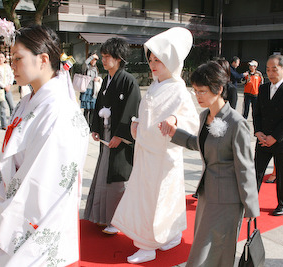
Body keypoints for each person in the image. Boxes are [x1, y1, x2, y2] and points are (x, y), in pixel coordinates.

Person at [0, 25, 89, 266]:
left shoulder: (59, 110)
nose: (12, 65)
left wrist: (9, 197)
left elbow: (47, 178)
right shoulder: (27, 101)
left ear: (43, 59)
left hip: (36, 209)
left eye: (18, 58)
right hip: (16, 197)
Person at [111, 27, 199, 264]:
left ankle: (148, 245)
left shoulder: (178, 88)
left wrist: (175, 120)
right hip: (146, 154)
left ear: (170, 61)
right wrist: (137, 124)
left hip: (163, 156)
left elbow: (192, 121)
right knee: (148, 198)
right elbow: (145, 113)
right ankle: (164, 237)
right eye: (151, 59)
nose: (152, 64)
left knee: (159, 199)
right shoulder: (155, 85)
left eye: (158, 60)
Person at [162, 61, 260, 266]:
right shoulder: (204, 115)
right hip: (207, 194)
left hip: (227, 199)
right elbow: (199, 144)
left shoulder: (236, 123)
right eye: (195, 91)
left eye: (202, 91)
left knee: (212, 249)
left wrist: (251, 207)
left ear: (219, 89)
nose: (198, 96)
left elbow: (245, 167)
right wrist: (174, 134)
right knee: (207, 246)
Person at [84, 38, 140, 235]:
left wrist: (120, 136)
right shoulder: (107, 80)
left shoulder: (128, 81)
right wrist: (96, 127)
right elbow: (98, 106)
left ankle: (117, 220)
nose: (104, 60)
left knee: (117, 179)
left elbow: (132, 112)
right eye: (104, 56)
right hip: (106, 137)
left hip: (119, 140)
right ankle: (101, 216)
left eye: (108, 57)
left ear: (118, 58)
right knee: (103, 175)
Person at [253, 54, 283, 216]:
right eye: (268, 70)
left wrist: (274, 138)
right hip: (262, 139)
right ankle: (250, 201)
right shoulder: (263, 88)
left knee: (282, 174)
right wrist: (258, 131)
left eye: (274, 69)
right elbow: (257, 112)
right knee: (256, 171)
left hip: (281, 141)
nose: (271, 73)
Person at [0, 51, 15, 130]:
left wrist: (9, 84)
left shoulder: (7, 66)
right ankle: (4, 125)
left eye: (2, 57)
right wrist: (4, 86)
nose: (1, 59)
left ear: (5, 58)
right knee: (2, 107)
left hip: (8, 87)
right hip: (0, 88)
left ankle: (13, 122)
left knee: (12, 105)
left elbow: (11, 76)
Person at [80, 52, 99, 126]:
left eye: (95, 60)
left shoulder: (95, 68)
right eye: (92, 59)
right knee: (86, 109)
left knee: (92, 109)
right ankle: (85, 125)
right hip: (86, 90)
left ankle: (91, 125)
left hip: (93, 91)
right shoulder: (86, 67)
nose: (94, 61)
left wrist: (98, 79)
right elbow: (85, 63)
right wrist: (92, 56)